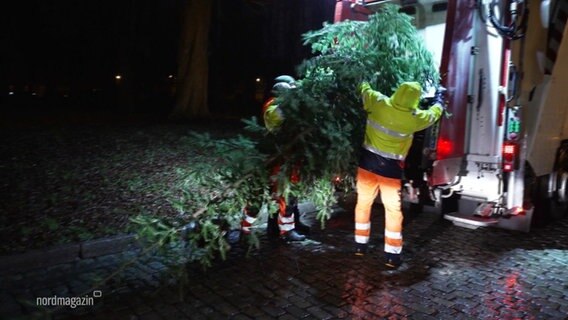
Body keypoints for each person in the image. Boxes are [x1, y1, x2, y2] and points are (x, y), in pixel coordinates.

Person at [353, 80, 445, 269]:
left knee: (363, 204)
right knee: (393, 211)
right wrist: (440, 100)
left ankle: (360, 245)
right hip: (390, 171)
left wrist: (365, 79)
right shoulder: (414, 118)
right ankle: (392, 256)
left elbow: (364, 89)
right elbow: (433, 115)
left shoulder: (378, 102)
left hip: (367, 166)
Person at [240, 75, 308, 242]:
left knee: (288, 196)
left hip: (285, 156)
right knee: (279, 194)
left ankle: (286, 229)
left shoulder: (282, 105)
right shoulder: (272, 107)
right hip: (276, 158)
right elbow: (280, 119)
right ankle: (249, 229)